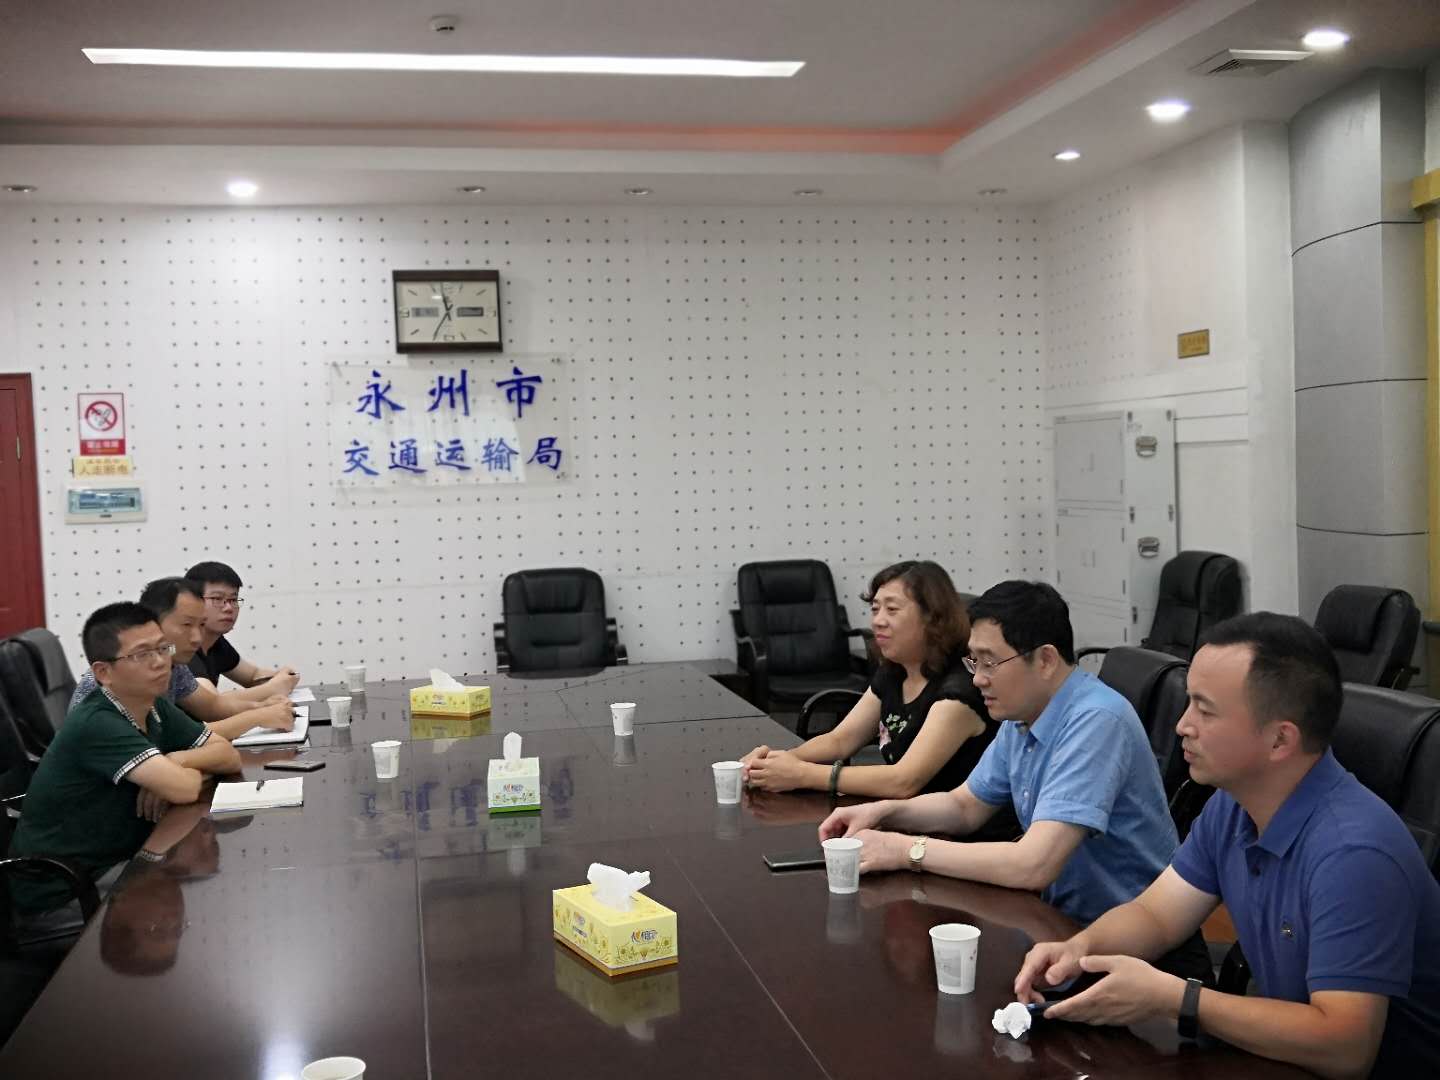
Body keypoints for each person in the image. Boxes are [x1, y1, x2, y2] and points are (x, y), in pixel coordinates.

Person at [1013, 613, 1440, 1078]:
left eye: (1205, 709)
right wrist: (1079, 948)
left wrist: (1177, 999)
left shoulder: (1354, 854)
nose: (1182, 725)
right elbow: (1156, 915)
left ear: (1280, 739)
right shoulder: (1234, 805)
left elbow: (1346, 1049)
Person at [818, 580, 1201, 982]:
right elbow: (965, 806)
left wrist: (906, 851)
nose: (978, 679)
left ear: (1046, 660)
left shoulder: (1095, 720)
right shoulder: (1024, 713)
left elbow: (1033, 865)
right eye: (973, 662)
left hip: (1136, 952)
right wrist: (883, 812)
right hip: (1060, 928)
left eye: (990, 663)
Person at [7, 602, 242, 917]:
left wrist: (177, 760)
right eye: (142, 654)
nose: (160, 662)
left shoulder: (152, 703)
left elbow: (227, 755)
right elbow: (185, 789)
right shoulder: (97, 722)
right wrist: (181, 774)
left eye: (163, 648)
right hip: (63, 892)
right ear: (103, 672)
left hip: (116, 862)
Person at [741, 561, 1003, 805]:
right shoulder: (896, 670)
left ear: (933, 618)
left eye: (892, 609)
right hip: (905, 816)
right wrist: (776, 761)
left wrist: (802, 774)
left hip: (954, 829)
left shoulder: (959, 691)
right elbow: (840, 740)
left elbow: (904, 781)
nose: (878, 621)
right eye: (875, 609)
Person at [69, 577, 294, 740]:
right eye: (187, 625)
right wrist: (258, 716)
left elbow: (211, 707)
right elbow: (184, 741)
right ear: (152, 623)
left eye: (201, 625)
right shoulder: (118, 677)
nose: (197, 638)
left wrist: (260, 707)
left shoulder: (172, 663)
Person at [183, 560, 299, 699]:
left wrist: (281, 677)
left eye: (233, 599)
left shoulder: (216, 642)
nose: (228, 608)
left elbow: (253, 676)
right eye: (217, 599)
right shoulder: (181, 646)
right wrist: (275, 687)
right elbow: (212, 703)